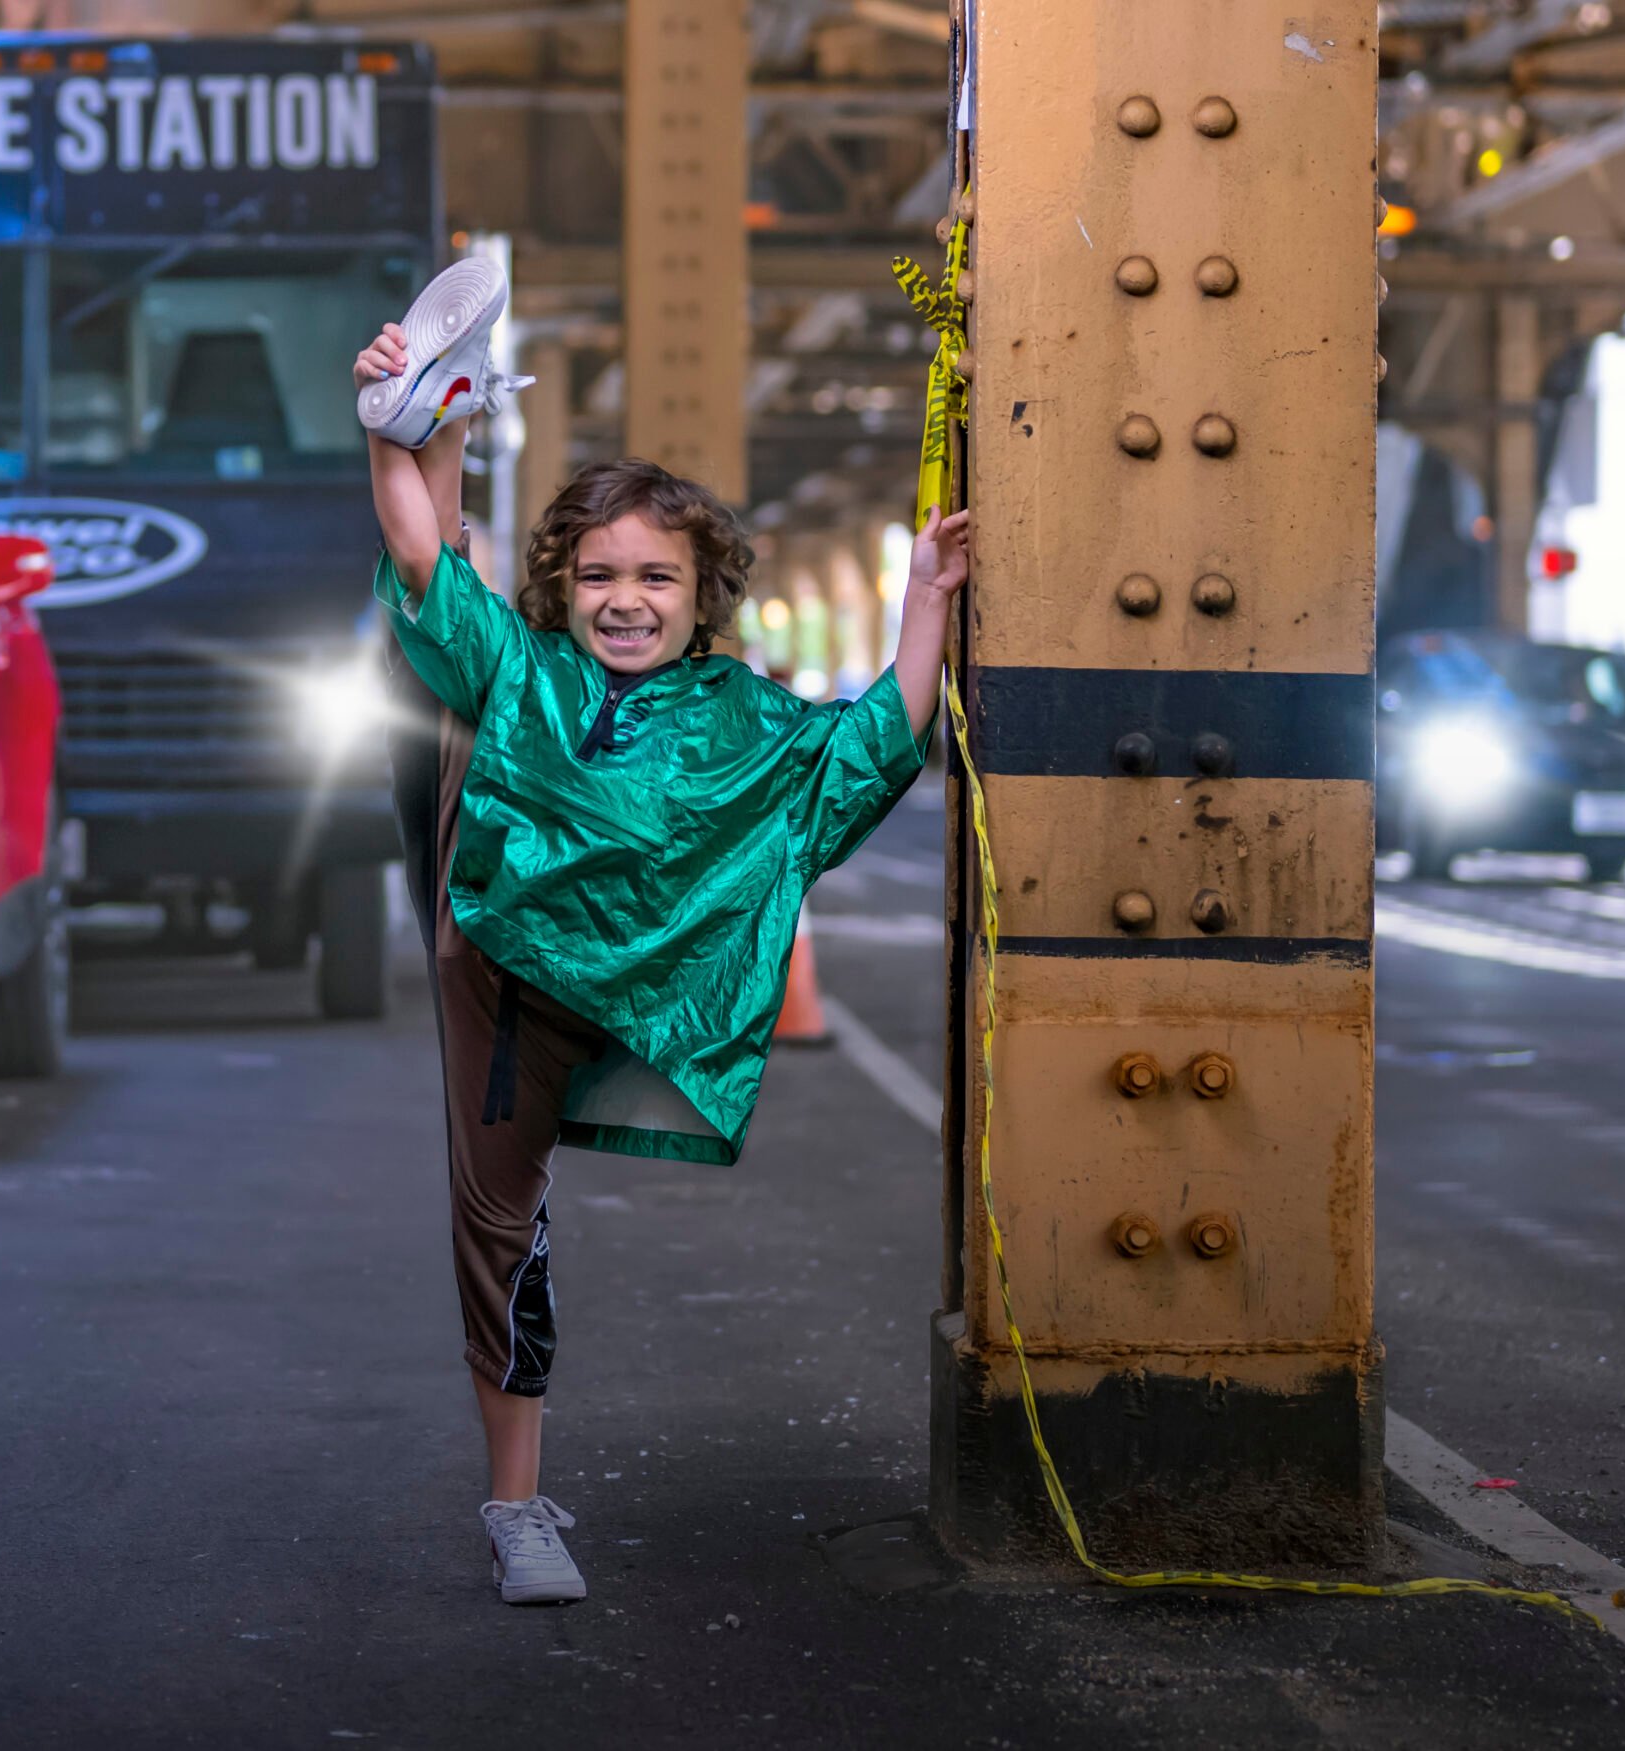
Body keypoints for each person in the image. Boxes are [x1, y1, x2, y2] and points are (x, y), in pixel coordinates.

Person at [353, 257, 972, 1607]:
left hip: (644, 990)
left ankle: (442, 411)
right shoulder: (528, 668)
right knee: (498, 1234)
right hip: (505, 982)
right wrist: (395, 428)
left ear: (705, 597)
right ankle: (515, 1507)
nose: (624, 598)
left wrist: (925, 595)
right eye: (596, 576)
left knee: (512, 1223)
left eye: (655, 578)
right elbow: (418, 551)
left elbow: (873, 745)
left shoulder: (746, 720)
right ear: (564, 588)